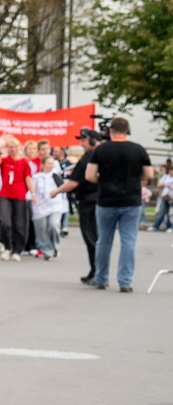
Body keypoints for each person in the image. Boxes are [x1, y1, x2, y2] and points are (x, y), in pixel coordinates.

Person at [80, 117, 156, 293]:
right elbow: (149, 174)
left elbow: (89, 176)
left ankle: (101, 278)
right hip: (131, 201)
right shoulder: (138, 149)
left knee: (104, 241)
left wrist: (103, 180)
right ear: (127, 131)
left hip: (106, 200)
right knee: (129, 241)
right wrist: (136, 181)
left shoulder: (101, 150)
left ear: (111, 131)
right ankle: (125, 281)